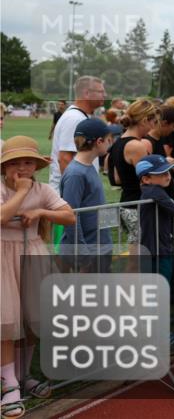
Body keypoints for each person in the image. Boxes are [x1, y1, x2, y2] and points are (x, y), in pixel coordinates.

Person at [1, 137, 76, 414]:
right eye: (16, 162)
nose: (22, 167)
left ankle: (23, 376)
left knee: (33, 318)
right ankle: (8, 384)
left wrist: (42, 211)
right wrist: (20, 193)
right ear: (5, 166)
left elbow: (69, 216)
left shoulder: (42, 189)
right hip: (2, 257)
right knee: (6, 320)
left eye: (28, 162)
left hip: (33, 256)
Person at [135, 155, 174, 348]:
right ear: (146, 178)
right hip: (156, 251)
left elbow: (168, 208)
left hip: (166, 248)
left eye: (167, 171)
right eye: (160, 173)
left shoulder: (158, 192)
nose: (167, 176)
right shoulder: (152, 191)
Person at [59, 119, 115, 272]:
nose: (110, 144)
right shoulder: (76, 174)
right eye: (109, 140)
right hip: (88, 254)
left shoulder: (89, 167)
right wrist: (83, 256)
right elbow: (70, 217)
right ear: (99, 141)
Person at [107, 99, 157, 243]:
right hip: (138, 206)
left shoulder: (119, 142)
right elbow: (149, 180)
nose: (153, 127)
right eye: (154, 122)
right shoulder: (137, 146)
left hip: (127, 203)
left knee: (137, 255)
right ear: (145, 120)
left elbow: (117, 179)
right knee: (141, 256)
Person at [49, 77, 105, 191]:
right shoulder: (75, 118)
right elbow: (65, 158)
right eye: (100, 92)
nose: (105, 95)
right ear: (87, 93)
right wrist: (76, 193)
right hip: (73, 197)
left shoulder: (79, 116)